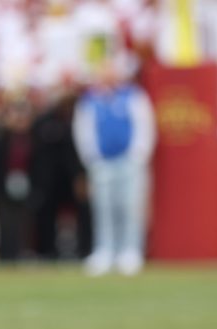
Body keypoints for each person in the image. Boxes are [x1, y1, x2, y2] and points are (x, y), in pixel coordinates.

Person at [72, 59, 155, 276]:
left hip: (128, 161)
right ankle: (105, 250)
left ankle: (130, 250)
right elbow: (83, 130)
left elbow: (144, 126)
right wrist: (92, 158)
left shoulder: (133, 96)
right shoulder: (90, 100)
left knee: (130, 206)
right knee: (103, 208)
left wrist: (138, 155)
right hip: (103, 162)